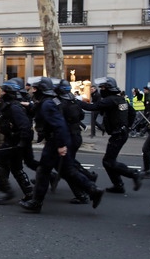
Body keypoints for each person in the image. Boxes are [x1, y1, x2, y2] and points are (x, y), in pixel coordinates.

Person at [19, 77, 104, 213]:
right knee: (67, 170)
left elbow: (59, 124)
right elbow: (38, 109)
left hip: (54, 142)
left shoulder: (48, 104)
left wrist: (61, 145)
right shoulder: (50, 101)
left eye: (35, 89)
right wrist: (27, 105)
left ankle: (36, 203)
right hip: (57, 141)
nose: (33, 91)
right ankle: (93, 190)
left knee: (43, 171)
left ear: (40, 90)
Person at [78, 77, 143, 194]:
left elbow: (91, 107)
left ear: (108, 89)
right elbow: (132, 113)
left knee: (108, 161)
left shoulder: (109, 100)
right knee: (108, 161)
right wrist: (127, 127)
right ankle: (118, 185)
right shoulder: (120, 99)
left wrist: (75, 101)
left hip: (118, 135)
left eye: (103, 88)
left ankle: (133, 174)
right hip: (120, 134)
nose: (101, 89)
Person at [0, 78, 35, 205]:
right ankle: (30, 194)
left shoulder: (14, 107)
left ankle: (7, 191)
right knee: (16, 168)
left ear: (7, 92)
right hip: (13, 140)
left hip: (14, 141)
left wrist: (21, 143)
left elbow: (25, 126)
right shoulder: (9, 105)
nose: (0, 92)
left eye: (3, 91)